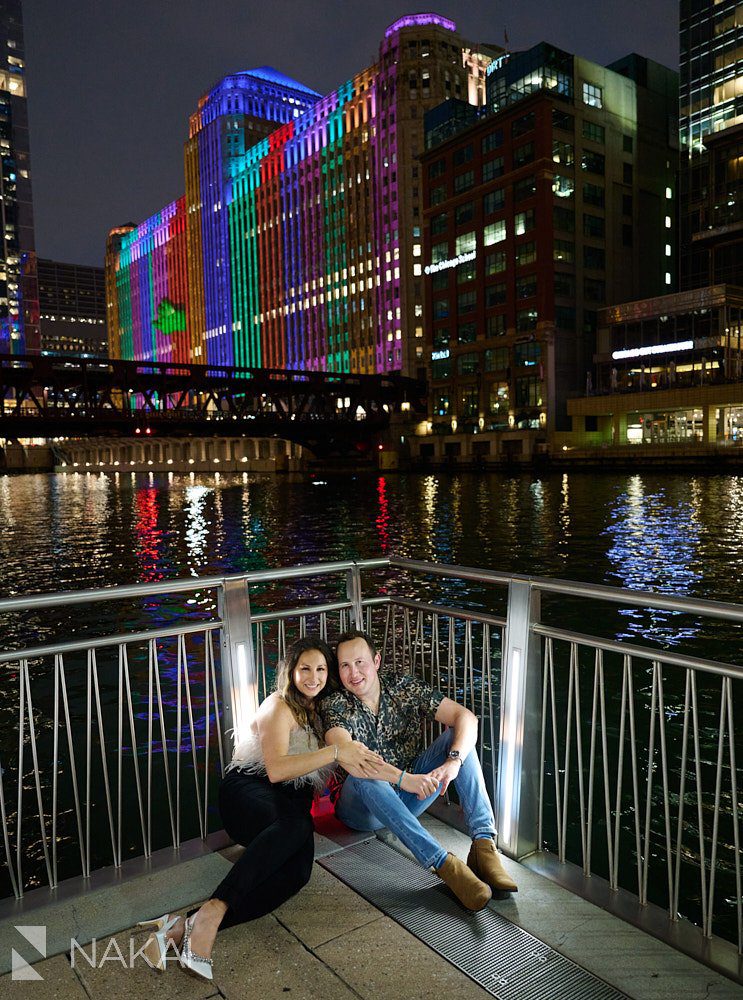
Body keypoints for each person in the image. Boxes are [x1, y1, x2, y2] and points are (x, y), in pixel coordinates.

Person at [139, 636, 383, 981]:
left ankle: (185, 924)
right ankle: (212, 913)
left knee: (297, 874)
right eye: (305, 669)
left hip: (287, 809)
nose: (313, 677)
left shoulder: (327, 711)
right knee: (298, 827)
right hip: (247, 792)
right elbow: (277, 770)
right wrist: (335, 753)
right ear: (290, 671)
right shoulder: (278, 705)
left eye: (321, 669)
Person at [320, 629, 518, 912]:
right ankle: (444, 865)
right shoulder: (335, 704)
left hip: (410, 796)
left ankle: (484, 846)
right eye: (345, 665)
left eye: (360, 662)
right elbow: (349, 755)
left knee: (458, 739)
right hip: (361, 809)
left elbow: (466, 717)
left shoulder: (403, 686)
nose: (354, 673)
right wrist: (404, 779)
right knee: (363, 774)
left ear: (376, 661)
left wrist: (453, 762)